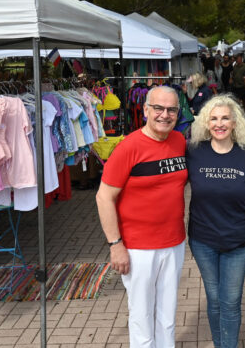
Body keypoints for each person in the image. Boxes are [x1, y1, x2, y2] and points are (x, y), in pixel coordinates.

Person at [95, 86, 188, 347]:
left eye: (171, 110)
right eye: (158, 108)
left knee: (167, 313)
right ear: (146, 109)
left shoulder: (179, 141)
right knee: (142, 315)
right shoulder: (128, 148)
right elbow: (104, 197)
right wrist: (116, 245)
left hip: (174, 243)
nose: (165, 115)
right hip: (138, 248)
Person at [187, 94, 245, 348]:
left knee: (230, 301)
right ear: (206, 123)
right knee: (214, 298)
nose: (219, 124)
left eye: (225, 118)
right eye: (214, 119)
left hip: (238, 241)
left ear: (234, 123)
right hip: (203, 240)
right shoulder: (194, 151)